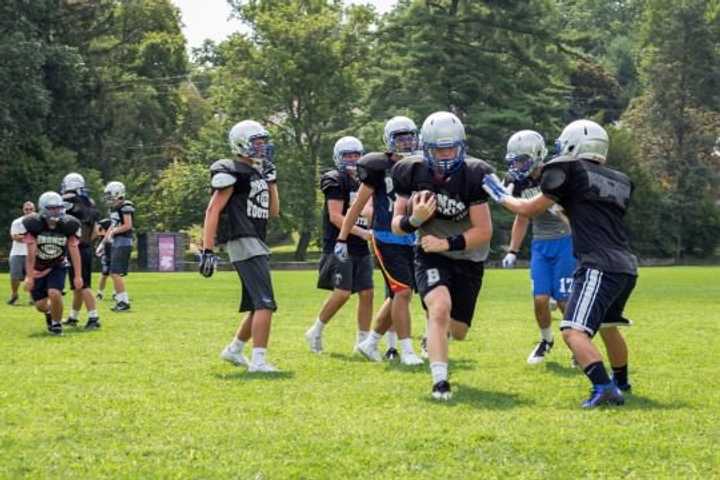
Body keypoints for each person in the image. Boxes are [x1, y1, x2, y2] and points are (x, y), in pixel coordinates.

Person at [483, 119, 637, 408]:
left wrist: (501, 195)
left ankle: (604, 388)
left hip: (598, 264)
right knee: (607, 324)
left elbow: (528, 208)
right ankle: (622, 381)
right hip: (626, 265)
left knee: (572, 330)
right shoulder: (620, 179)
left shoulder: (568, 167)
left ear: (571, 145)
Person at [391, 111, 494, 400]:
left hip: (468, 255)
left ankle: (435, 337)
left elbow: (484, 230)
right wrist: (415, 220)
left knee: (458, 330)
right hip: (429, 253)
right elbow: (396, 225)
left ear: (462, 146)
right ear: (426, 148)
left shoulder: (475, 173)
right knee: (438, 308)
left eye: (451, 148)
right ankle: (439, 382)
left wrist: (446, 243)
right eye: (439, 149)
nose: (446, 155)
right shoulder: (409, 171)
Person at [335, 116, 423, 365]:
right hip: (385, 237)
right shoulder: (377, 167)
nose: (406, 143)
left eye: (409, 138)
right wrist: (342, 238)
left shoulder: (420, 165)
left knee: (398, 295)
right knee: (403, 292)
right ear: (389, 140)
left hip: (411, 237)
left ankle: (371, 342)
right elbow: (357, 206)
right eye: (400, 138)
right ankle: (406, 350)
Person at [201, 119, 280, 373]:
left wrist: (272, 182)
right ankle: (258, 361)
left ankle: (234, 350)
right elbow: (213, 209)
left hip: (256, 239)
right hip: (243, 239)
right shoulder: (232, 170)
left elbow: (273, 212)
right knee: (265, 303)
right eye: (257, 142)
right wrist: (207, 249)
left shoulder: (257, 173)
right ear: (242, 143)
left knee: (257, 303)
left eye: (263, 142)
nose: (263, 148)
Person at [501, 130, 576, 364]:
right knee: (540, 299)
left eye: (522, 159)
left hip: (565, 241)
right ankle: (546, 340)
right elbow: (522, 217)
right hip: (540, 244)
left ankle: (578, 346)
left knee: (564, 300)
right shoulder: (519, 181)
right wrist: (513, 250)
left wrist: (560, 210)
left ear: (537, 155)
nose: (517, 165)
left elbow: (575, 217)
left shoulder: (554, 174)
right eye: (515, 160)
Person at [304, 136, 374, 355]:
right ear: (338, 158)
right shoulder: (334, 179)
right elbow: (335, 216)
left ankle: (363, 343)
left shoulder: (365, 181)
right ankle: (315, 330)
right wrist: (362, 231)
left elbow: (370, 211)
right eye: (348, 155)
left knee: (367, 293)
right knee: (343, 293)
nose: (353, 159)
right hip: (339, 244)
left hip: (360, 246)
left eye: (356, 155)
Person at [23, 192, 83, 335]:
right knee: (40, 305)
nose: (57, 211)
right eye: (52, 208)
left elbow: (74, 250)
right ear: (43, 208)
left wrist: (78, 276)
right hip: (38, 267)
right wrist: (30, 276)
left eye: (59, 207)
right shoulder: (34, 225)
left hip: (58, 264)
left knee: (54, 293)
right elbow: (31, 254)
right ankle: (50, 313)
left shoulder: (68, 225)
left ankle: (56, 325)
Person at [61, 173, 101, 329]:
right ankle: (73, 317)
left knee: (82, 284)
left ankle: (93, 318)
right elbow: (96, 231)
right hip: (85, 247)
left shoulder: (66, 202)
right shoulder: (90, 204)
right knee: (77, 285)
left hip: (75, 248)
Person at [101, 181, 134, 312]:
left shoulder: (126, 206)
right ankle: (121, 300)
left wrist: (113, 232)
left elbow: (127, 225)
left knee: (115, 272)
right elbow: (112, 225)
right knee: (114, 272)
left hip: (124, 241)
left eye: (110, 195)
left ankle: (123, 301)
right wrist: (103, 242)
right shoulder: (114, 208)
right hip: (117, 241)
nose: (109, 198)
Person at [7, 201, 35, 305]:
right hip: (17, 253)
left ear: (34, 210)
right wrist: (31, 237)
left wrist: (23, 236)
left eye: (31, 209)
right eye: (26, 209)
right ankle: (14, 295)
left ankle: (33, 298)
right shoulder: (17, 222)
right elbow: (15, 237)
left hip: (32, 253)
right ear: (23, 210)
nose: (29, 211)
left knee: (32, 276)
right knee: (15, 276)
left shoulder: (38, 222)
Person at [94, 218, 113, 301]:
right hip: (106, 256)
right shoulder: (101, 238)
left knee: (116, 274)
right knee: (105, 273)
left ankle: (116, 293)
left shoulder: (112, 235)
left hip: (113, 255)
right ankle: (100, 292)